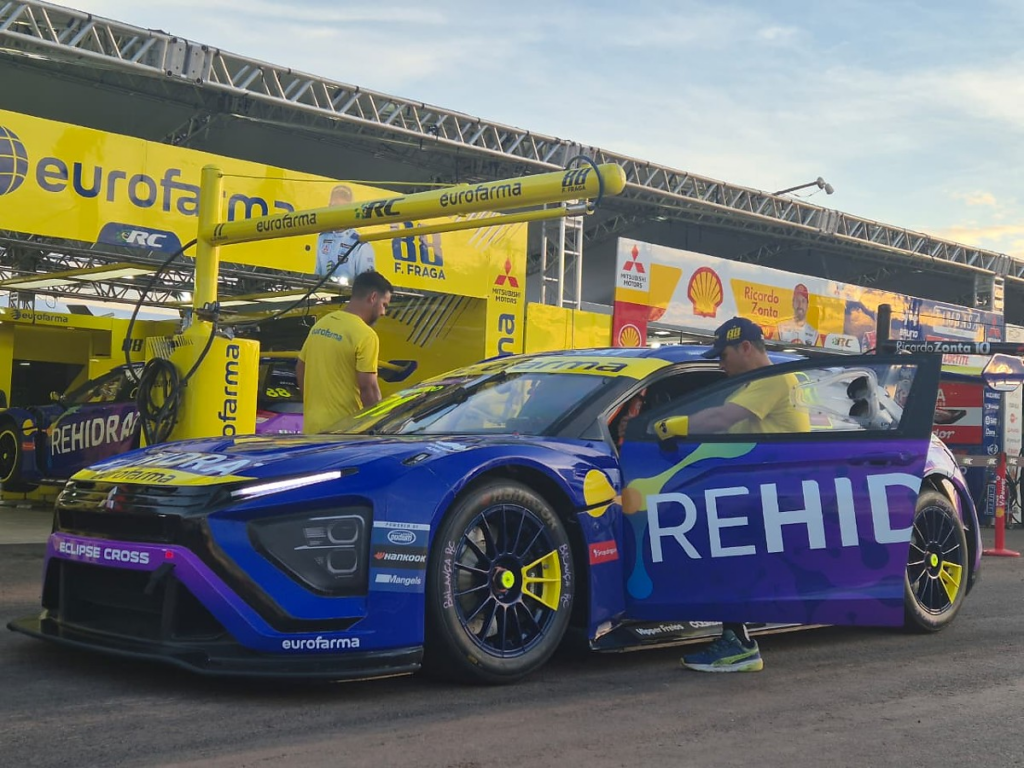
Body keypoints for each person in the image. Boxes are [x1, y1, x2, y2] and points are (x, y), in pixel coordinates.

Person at [675, 316, 809, 672]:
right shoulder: (757, 385)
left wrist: (667, 426)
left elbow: (721, 420)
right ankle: (736, 639)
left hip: (772, 492)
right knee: (723, 553)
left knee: (723, 552)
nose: (720, 364)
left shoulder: (772, 379)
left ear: (746, 347)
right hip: (765, 489)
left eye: (724, 355)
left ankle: (738, 645)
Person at [297, 271, 392, 433]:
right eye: (384, 305)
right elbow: (368, 387)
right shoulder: (366, 335)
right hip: (344, 433)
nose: (383, 312)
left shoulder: (322, 323)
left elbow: (300, 367)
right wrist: (379, 426)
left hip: (312, 428)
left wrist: (312, 405)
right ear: (373, 297)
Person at [315, 185, 377, 285]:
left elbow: (366, 286)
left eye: (343, 208)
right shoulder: (322, 237)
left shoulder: (361, 245)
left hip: (348, 294)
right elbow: (317, 275)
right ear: (329, 207)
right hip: (321, 293)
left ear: (350, 210)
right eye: (335, 207)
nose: (338, 212)